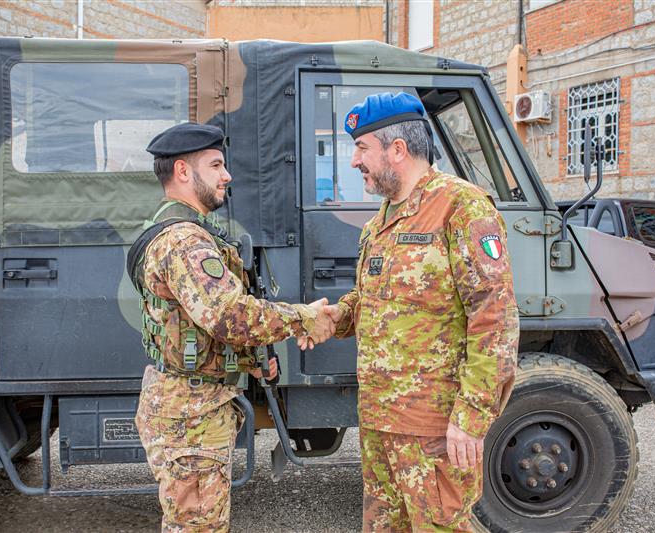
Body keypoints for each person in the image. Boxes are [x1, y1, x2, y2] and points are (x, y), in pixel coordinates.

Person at [301, 92, 519, 531]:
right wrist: (329, 319)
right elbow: (370, 301)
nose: (354, 161)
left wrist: (471, 418)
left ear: (396, 150)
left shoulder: (462, 207)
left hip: (434, 427)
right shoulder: (379, 222)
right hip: (381, 421)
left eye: (362, 148)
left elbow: (494, 318)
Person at [130, 122, 335, 533]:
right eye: (217, 165)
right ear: (184, 172)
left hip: (194, 407)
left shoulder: (190, 233)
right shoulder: (185, 242)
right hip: (191, 414)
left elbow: (202, 324)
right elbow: (230, 317)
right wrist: (304, 317)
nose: (227, 176)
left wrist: (252, 362)